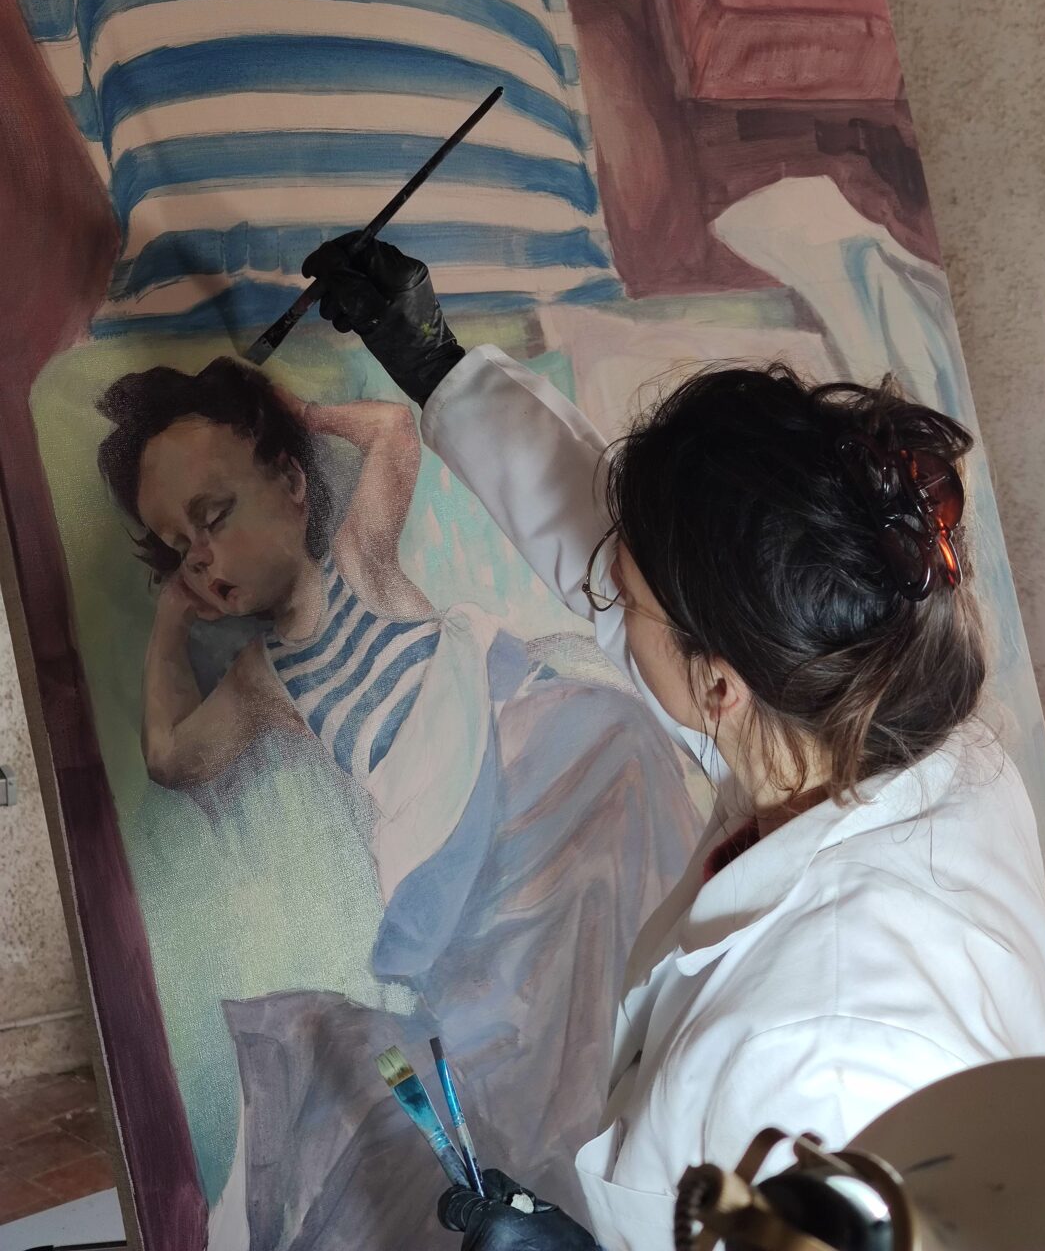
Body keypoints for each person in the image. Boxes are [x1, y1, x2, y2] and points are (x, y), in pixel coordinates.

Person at [301, 235, 1045, 1251]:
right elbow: (626, 542)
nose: (604, 608)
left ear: (720, 681)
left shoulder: (818, 1058)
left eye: (625, 601)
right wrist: (438, 367)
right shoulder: (882, 733)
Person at [95, 358, 703, 1246]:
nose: (201, 556)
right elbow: (167, 757)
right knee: (513, 1036)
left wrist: (299, 410)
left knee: (612, 755)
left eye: (214, 517)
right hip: (447, 853)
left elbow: (391, 429)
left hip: (522, 756)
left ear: (291, 485)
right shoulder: (264, 678)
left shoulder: (356, 562)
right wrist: (170, 619)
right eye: (175, 547)